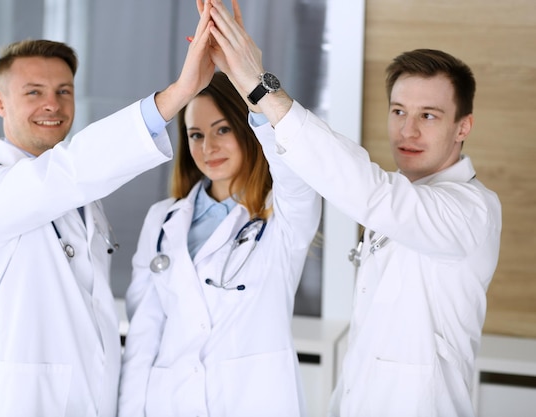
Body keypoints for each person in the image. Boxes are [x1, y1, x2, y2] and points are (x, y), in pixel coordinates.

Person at [205, 1, 502, 416]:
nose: (408, 130)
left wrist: (262, 85)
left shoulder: (471, 210)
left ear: (463, 126)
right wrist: (248, 90)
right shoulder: (406, 196)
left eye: (429, 116)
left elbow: (368, 191)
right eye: (398, 111)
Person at [0, 4, 218, 415]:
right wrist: (178, 94)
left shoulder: (81, 200)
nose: (52, 105)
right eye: (33, 92)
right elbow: (72, 169)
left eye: (63, 91)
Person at [118, 70, 321, 417]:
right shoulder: (163, 219)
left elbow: (298, 175)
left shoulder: (282, 215)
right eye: (195, 134)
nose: (207, 147)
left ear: (247, 128)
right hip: (170, 403)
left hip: (251, 401)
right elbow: (143, 335)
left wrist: (251, 85)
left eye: (222, 129)